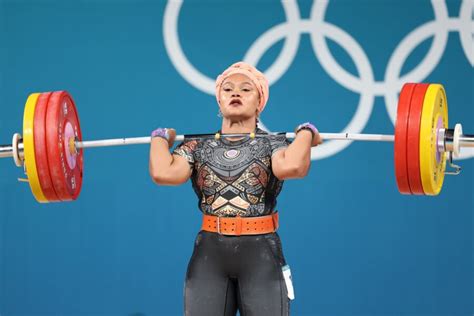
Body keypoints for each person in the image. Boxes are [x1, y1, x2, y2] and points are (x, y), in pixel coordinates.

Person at [149, 62, 322, 316]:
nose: (235, 93)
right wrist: (159, 138)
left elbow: (294, 166)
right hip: (210, 254)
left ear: (259, 101)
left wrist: (305, 133)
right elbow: (163, 173)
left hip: (261, 254)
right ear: (219, 101)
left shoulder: (273, 143)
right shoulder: (197, 146)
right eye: (228, 89)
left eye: (245, 89)